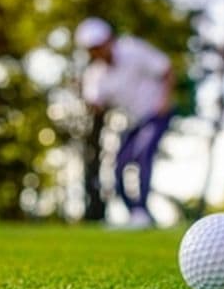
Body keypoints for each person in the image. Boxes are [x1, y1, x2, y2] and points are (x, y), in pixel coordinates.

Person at [75, 17, 175, 229]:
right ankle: (137, 215)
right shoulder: (96, 75)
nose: (98, 51)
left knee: (143, 154)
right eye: (92, 49)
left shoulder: (133, 49)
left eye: (99, 45)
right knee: (120, 165)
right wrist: (90, 103)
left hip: (156, 113)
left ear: (109, 39)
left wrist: (164, 101)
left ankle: (142, 211)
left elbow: (166, 69)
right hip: (134, 122)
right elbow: (96, 103)